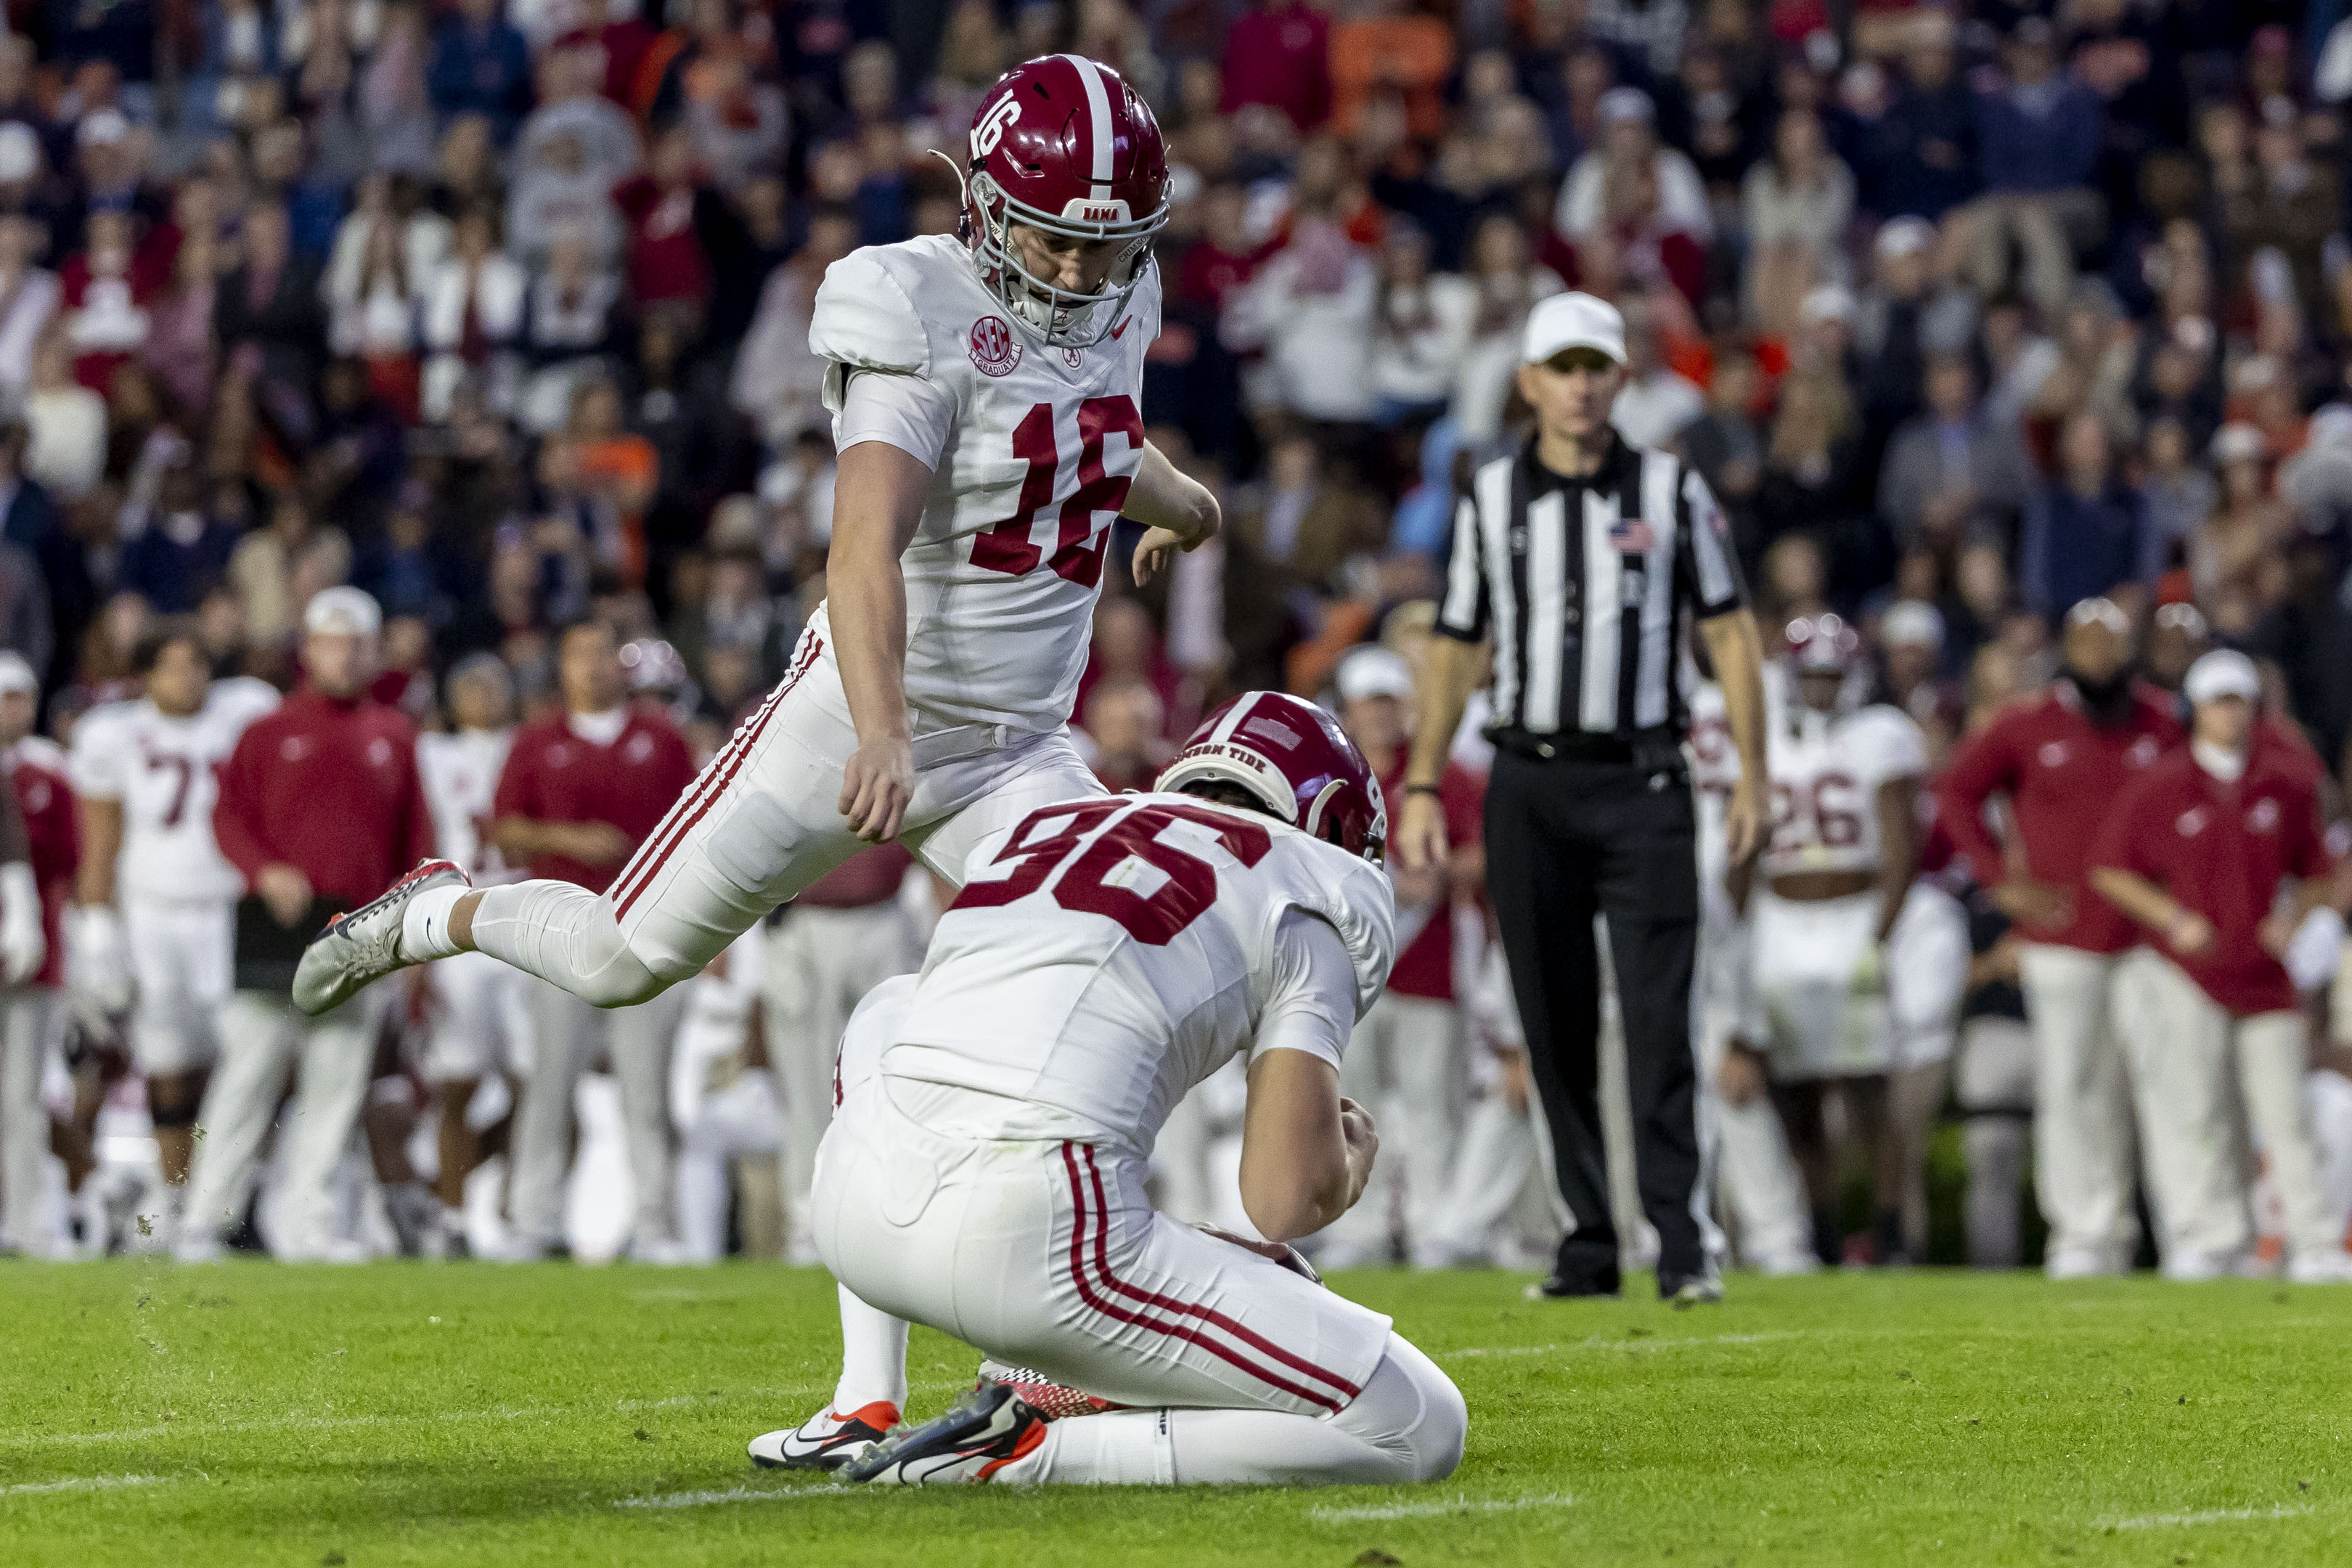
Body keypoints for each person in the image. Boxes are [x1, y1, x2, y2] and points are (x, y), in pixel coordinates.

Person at [291, 58, 1219, 1080]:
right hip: (865, 714)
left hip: (1017, 748)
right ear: (988, 210)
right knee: (621, 956)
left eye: (1110, 247)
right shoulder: (918, 310)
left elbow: (1088, 444)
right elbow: (864, 543)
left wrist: (1188, 506)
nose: (1085, 276)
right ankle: (435, 910)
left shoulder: (1120, 302)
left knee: (1121, 954)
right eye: (1060, 243)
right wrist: (883, 730)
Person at [759, 693, 1465, 1489]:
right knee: (1419, 1425)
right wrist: (1349, 1165)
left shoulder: (1060, 826)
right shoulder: (1310, 887)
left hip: (852, 1219)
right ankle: (1022, 1454)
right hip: (1041, 1250)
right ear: (1334, 822)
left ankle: (865, 1401)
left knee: (891, 1003)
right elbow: (1282, 1201)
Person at [1400, 290, 1769, 1302]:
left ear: (1619, 378)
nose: (1578, 384)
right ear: (1528, 382)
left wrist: (1755, 775)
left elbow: (1731, 631)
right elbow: (1457, 642)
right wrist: (1425, 779)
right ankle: (1587, 1239)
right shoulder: (1490, 497)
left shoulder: (1671, 487)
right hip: (1530, 778)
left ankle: (1683, 1239)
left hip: (1646, 775)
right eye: (1560, 367)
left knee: (1660, 1018)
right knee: (1550, 1020)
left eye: (1594, 366)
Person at [178, 589, 437, 1263]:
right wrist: (264, 870)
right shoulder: (268, 731)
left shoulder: (393, 735)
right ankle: (207, 1219)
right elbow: (227, 817)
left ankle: (309, 1223)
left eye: (356, 643)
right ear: (307, 649)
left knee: (337, 1082)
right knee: (247, 1074)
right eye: (330, 641)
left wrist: (409, 934)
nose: (343, 655)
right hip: (275, 927)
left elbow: (418, 841)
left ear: (375, 652)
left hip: (360, 928)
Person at [1935, 598, 2183, 1277]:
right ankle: (2082, 1233)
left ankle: (2170, 1234)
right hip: (2059, 931)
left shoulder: (2163, 720)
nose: (2101, 656)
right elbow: (1955, 793)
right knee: (2071, 1085)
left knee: (2158, 1085)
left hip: (2147, 937)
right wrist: (1996, 879)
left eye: (2112, 644)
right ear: (2068, 648)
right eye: (2088, 643)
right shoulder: (2025, 722)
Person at [2088, 650, 2352, 1284]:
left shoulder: (2284, 781)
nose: (2232, 713)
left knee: (2286, 1113)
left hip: (2266, 977)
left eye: (2240, 700)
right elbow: (2111, 868)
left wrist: (2295, 917)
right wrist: (2172, 918)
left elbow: (2320, 872)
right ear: (2197, 709)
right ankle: (2212, 1236)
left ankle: (2314, 1241)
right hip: (2192, 975)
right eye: (2220, 701)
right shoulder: (2163, 782)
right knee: (2199, 1111)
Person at [65, 623, 279, 1251]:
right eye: (171, 665)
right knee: (168, 1067)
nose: (186, 677)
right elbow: (100, 841)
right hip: (151, 912)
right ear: (146, 674)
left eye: (195, 664)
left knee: (242, 1065)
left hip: (229, 909)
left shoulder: (244, 712)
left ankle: (234, 1197)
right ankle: (177, 1193)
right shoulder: (113, 734)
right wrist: (98, 925)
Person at [491, 617, 698, 1262]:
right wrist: (569, 839)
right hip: (558, 927)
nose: (592, 666)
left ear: (622, 664)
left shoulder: (661, 740)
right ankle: (534, 1218)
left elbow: (698, 828)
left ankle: (655, 1223)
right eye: (578, 653)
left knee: (645, 1087)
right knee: (549, 1081)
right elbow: (504, 828)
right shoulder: (536, 738)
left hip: (643, 930)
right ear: (562, 665)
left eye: (602, 653)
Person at [1728, 616, 1932, 1265]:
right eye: (1810, 676)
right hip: (1781, 921)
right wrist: (1737, 934)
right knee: (1798, 1095)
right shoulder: (1762, 741)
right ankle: (1818, 1231)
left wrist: (1880, 934)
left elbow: (1903, 847)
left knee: (1870, 1092)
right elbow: (1746, 845)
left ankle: (1890, 1230)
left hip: (1854, 915)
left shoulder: (1881, 736)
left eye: (1830, 677)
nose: (1820, 690)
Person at [1315, 645, 1479, 1270]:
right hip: (1350, 974)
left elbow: (1482, 850)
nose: (1381, 714)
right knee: (1353, 1104)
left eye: (1390, 701)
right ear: (1349, 710)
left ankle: (1435, 1224)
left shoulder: (1437, 775)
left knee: (1433, 1102)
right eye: (1370, 702)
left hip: (1427, 967)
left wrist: (1437, 876)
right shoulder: (1331, 775)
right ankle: (1359, 1228)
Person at [1686, 657, 1814, 1275]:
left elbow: (1724, 928)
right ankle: (1645, 1239)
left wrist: (1742, 1032)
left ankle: (1777, 1236)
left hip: (1708, 936)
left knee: (1733, 1091)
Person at [412, 653, 526, 1257]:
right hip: (454, 928)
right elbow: (415, 837)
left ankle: (517, 1208)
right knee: (456, 1081)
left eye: (494, 683)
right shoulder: (430, 754)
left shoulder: (530, 744)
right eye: (470, 684)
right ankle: (452, 1215)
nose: (483, 694)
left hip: (529, 926)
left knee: (535, 1083)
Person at [761, 844, 920, 1263]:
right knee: (807, 1087)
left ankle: (889, 1219)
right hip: (805, 915)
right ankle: (808, 1224)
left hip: (886, 907)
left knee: (898, 1084)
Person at [0, 652, 65, 1254]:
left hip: (26, 953)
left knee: (23, 1097)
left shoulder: (49, 771)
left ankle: (26, 1222)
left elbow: (69, 861)